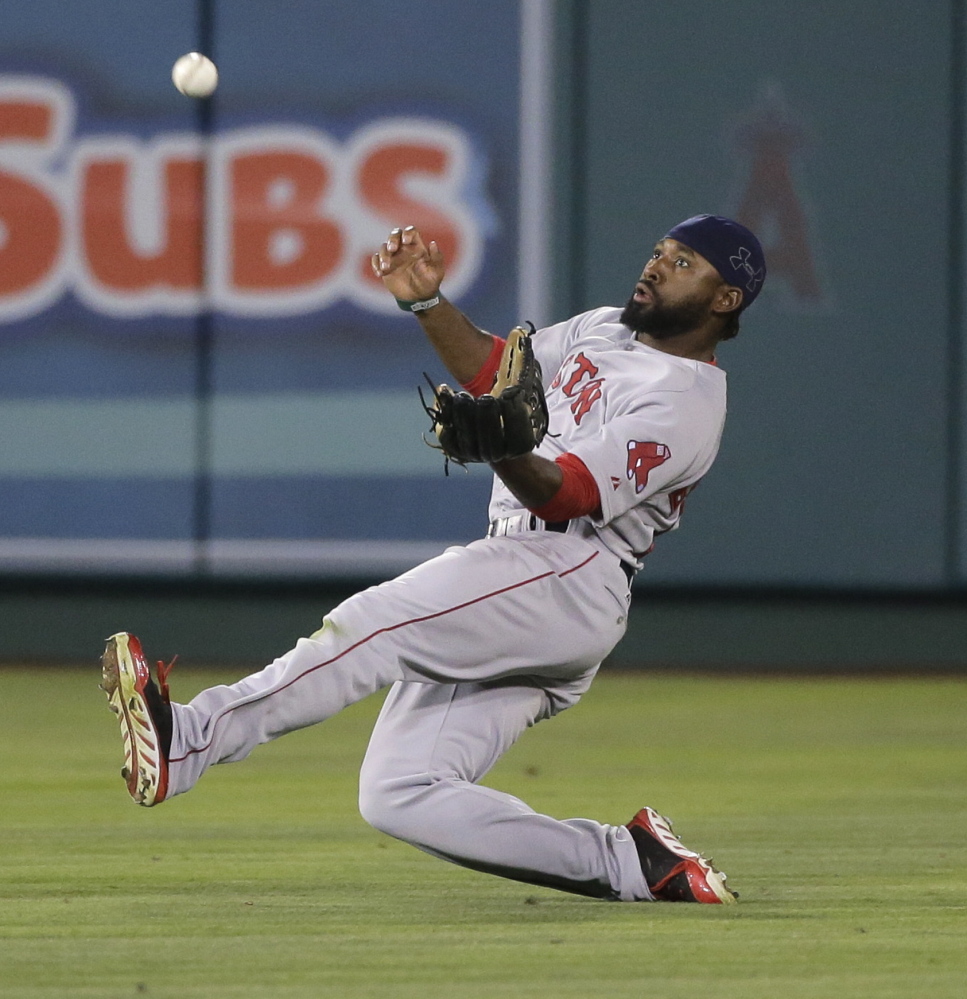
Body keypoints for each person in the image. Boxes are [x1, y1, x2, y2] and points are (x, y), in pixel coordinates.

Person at [101, 214, 766, 905]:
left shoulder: (685, 402)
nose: (655, 265)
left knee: (374, 621)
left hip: (569, 574)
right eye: (658, 250)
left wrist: (502, 447)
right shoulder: (604, 326)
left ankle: (191, 739)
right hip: (522, 576)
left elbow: (569, 493)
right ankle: (634, 864)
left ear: (725, 300)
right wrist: (426, 302)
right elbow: (495, 369)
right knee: (398, 793)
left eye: (683, 262)